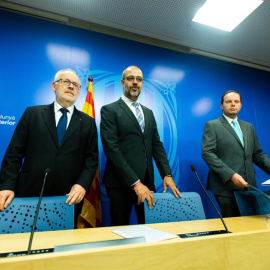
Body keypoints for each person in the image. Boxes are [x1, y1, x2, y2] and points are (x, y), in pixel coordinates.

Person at [0, 69, 99, 219]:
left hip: (68, 199)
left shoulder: (88, 122)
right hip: (28, 194)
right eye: (66, 82)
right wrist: (7, 186)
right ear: (54, 86)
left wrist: (82, 184)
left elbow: (91, 160)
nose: (71, 86)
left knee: (62, 241)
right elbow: (13, 154)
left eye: (76, 85)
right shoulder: (32, 114)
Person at [100, 65, 181, 226]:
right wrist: (135, 183)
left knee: (149, 227)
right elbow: (112, 149)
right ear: (123, 82)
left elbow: (156, 145)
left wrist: (167, 174)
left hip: (147, 182)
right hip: (119, 183)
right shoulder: (109, 110)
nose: (135, 82)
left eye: (139, 79)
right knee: (120, 227)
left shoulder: (148, 113)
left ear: (142, 84)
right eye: (130, 79)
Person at [202, 90, 270, 217]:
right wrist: (231, 175)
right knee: (234, 227)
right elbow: (207, 153)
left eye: (236, 101)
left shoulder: (249, 127)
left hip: (248, 186)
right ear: (222, 106)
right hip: (226, 187)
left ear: (240, 105)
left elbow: (258, 154)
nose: (233, 104)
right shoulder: (212, 125)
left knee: (252, 224)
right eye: (228, 102)